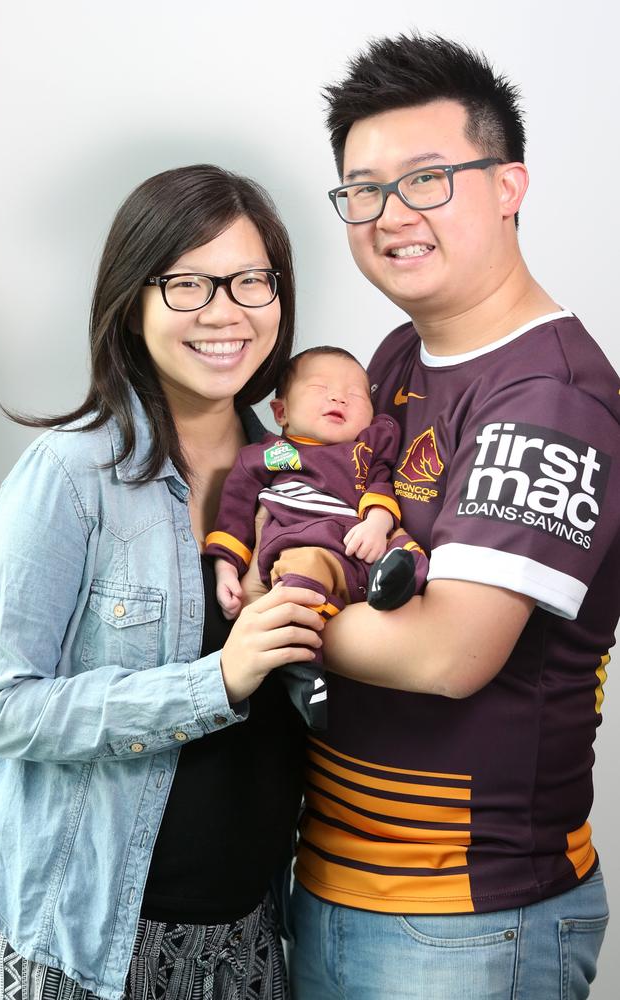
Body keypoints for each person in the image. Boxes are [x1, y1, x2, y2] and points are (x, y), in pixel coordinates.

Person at [288, 33, 620, 1000]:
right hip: (333, 875)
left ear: (509, 185)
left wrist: (268, 622)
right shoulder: (394, 358)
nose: (391, 216)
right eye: (363, 190)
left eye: (427, 179)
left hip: (464, 920)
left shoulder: (548, 394)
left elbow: (448, 655)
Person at [0, 164, 326, 1000]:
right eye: (188, 283)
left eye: (250, 280)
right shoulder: (71, 475)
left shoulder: (298, 476)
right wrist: (217, 681)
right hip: (79, 940)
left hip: (249, 938)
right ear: (133, 299)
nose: (225, 311)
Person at [205, 345, 428, 728]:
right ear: (282, 412)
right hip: (307, 542)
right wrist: (226, 570)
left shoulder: (367, 448)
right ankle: (302, 670)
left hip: (364, 536)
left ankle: (393, 584)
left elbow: (382, 484)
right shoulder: (271, 455)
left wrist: (377, 524)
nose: (339, 396)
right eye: (320, 387)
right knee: (299, 576)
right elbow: (235, 515)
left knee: (407, 547)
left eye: (355, 394)